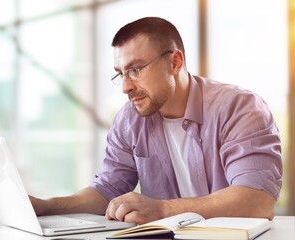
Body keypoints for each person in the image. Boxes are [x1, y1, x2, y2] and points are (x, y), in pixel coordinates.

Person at [30, 17, 283, 225]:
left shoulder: (240, 109)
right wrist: (45, 207)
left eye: (136, 70)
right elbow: (107, 191)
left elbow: (257, 200)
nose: (126, 87)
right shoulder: (129, 120)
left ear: (175, 62)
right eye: (121, 74)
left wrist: (163, 210)